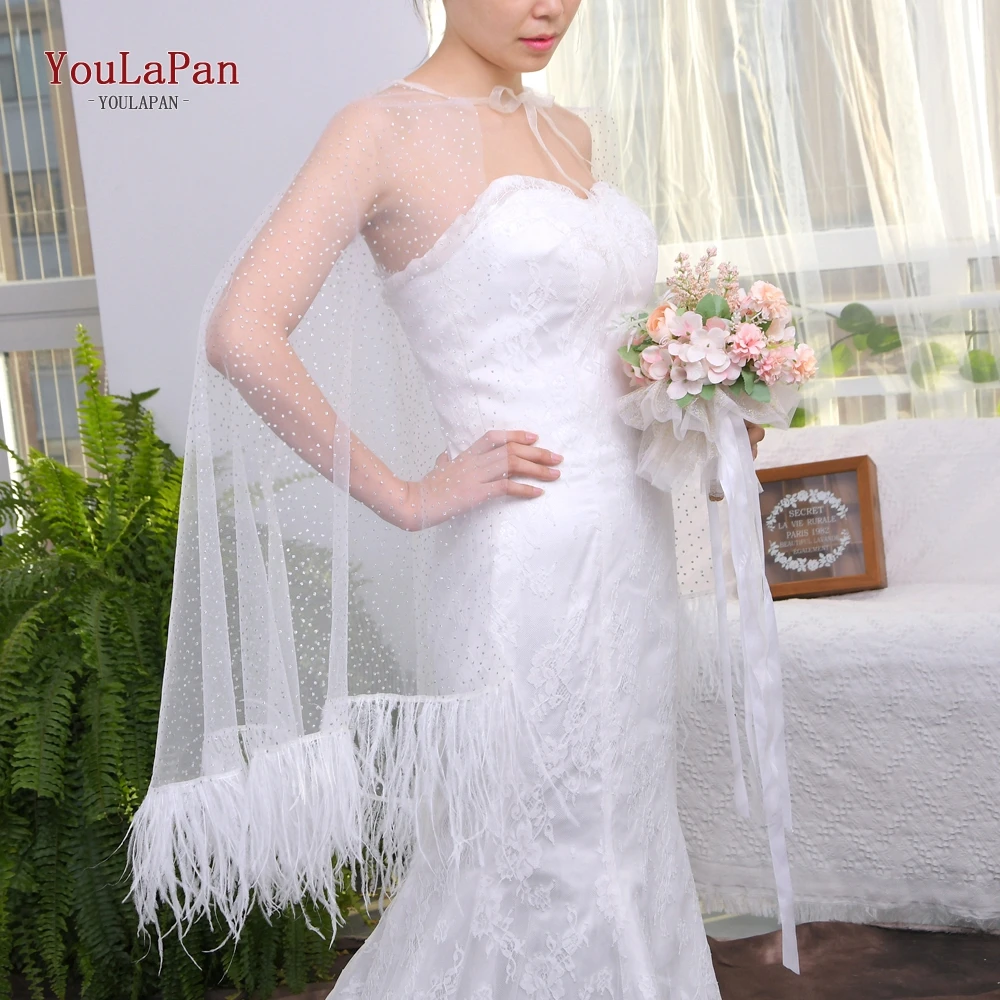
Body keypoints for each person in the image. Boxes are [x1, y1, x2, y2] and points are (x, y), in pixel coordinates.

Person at [126, 0, 779, 996]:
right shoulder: (379, 130)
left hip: (636, 540)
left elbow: (599, 359)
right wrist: (402, 492)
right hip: (524, 557)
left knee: (628, 827)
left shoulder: (572, 131)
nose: (549, 7)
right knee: (533, 844)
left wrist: (700, 417)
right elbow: (240, 330)